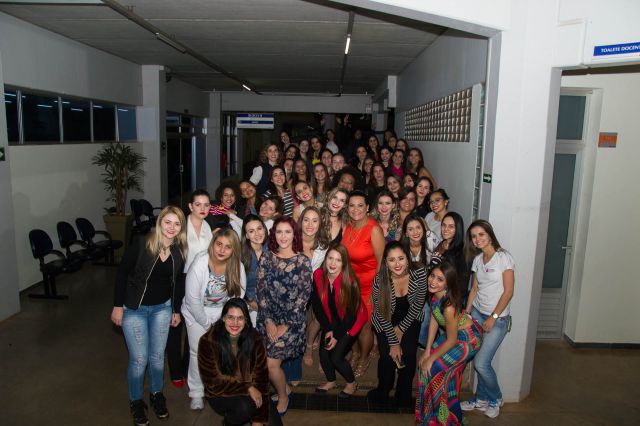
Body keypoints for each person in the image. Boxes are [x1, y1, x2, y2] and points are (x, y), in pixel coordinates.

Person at [111, 206, 187, 426]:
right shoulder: (142, 244)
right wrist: (117, 305)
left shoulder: (179, 251)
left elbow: (177, 283)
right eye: (168, 222)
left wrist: (175, 309)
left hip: (162, 309)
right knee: (139, 359)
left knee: (157, 356)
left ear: (181, 228)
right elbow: (122, 274)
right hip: (135, 309)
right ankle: (136, 401)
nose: (171, 228)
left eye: (177, 224)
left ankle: (156, 394)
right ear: (160, 222)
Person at [182, 227, 247, 410]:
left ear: (234, 249)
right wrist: (207, 325)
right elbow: (192, 300)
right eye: (219, 244)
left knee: (222, 351)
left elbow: (238, 296)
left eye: (228, 246)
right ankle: (196, 393)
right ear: (213, 244)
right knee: (197, 351)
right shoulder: (200, 263)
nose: (222, 250)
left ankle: (219, 388)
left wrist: (223, 320)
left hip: (223, 313)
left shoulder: (237, 266)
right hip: (197, 312)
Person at [256, 217, 312, 416]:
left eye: (288, 231)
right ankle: (285, 389)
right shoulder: (266, 257)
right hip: (268, 318)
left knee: (271, 365)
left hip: (292, 322)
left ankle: (283, 397)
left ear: (294, 234)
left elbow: (303, 298)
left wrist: (285, 326)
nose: (283, 236)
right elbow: (260, 291)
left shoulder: (303, 261)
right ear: (274, 234)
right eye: (279, 231)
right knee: (266, 363)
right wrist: (269, 321)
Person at [416, 262, 482, 426]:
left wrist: (432, 359)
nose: (433, 281)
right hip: (453, 336)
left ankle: (447, 420)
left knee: (434, 368)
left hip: (469, 339)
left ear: (448, 284)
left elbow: (452, 340)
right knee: (424, 366)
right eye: (432, 276)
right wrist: (427, 350)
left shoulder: (449, 307)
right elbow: (434, 319)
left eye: (440, 279)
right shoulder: (434, 295)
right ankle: (431, 416)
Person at [460, 220, 515, 419]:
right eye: (474, 236)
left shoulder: (503, 257)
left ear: (490, 234)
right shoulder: (478, 259)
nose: (477, 239)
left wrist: (493, 317)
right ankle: (481, 399)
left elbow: (508, 292)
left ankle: (496, 398)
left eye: (481, 234)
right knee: (478, 358)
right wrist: (467, 312)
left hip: (497, 319)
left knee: (482, 363)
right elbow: (474, 288)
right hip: (477, 313)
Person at [368, 241, 426, 407]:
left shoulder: (420, 273)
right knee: (387, 357)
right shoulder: (380, 280)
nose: (397, 264)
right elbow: (381, 313)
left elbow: (417, 305)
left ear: (407, 258)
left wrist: (401, 329)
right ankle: (383, 390)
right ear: (386, 263)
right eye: (392, 260)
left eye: (401, 258)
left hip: (411, 317)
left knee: (408, 354)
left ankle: (403, 394)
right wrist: (393, 342)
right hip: (386, 319)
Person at [198, 298, 270, 426]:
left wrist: (258, 420)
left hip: (249, 388)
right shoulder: (208, 341)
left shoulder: (255, 338)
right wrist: (248, 388)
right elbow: (214, 384)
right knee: (245, 407)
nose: (235, 323)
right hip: (220, 394)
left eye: (240, 318)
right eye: (230, 317)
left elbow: (261, 378)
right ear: (223, 318)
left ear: (246, 320)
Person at [167, 190, 213, 389]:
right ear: (190, 206)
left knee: (193, 325)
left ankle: (187, 368)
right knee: (175, 324)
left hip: (201, 281)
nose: (202, 208)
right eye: (198, 204)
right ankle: (176, 370)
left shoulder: (208, 226)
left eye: (206, 205)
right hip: (180, 279)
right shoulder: (181, 226)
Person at [311, 243, 367, 397]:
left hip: (352, 320)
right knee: (323, 353)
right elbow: (317, 305)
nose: (333, 263)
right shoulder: (318, 275)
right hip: (332, 318)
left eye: (338, 260)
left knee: (336, 357)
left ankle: (351, 383)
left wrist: (336, 335)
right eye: (330, 258)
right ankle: (331, 381)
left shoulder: (350, 282)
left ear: (344, 264)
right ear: (325, 259)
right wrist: (328, 328)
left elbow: (351, 316)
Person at [342, 190, 385, 378]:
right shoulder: (348, 226)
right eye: (352, 205)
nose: (355, 209)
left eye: (360, 205)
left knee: (365, 326)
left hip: (369, 286)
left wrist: (376, 291)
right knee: (350, 322)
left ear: (367, 207)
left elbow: (382, 262)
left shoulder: (374, 229)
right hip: (350, 285)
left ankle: (364, 358)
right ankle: (356, 351)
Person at [418, 212, 468, 348]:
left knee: (444, 333)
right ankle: (429, 350)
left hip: (446, 300)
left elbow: (462, 283)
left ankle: (433, 353)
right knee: (428, 325)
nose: (446, 229)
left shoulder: (459, 252)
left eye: (451, 226)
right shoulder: (443, 243)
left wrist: (449, 301)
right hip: (434, 295)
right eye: (444, 225)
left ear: (458, 229)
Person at [299, 206, 329, 367]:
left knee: (318, 317)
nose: (310, 225)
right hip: (296, 287)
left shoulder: (324, 245)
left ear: (320, 224)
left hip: (315, 284)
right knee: (300, 318)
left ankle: (309, 345)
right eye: (306, 220)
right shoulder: (290, 241)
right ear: (301, 222)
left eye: (314, 221)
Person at [241, 214, 267, 326]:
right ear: (246, 235)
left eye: (259, 228)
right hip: (249, 304)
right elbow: (237, 284)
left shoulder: (272, 249)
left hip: (270, 303)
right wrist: (250, 301)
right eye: (251, 231)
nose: (257, 234)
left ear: (264, 229)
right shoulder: (241, 254)